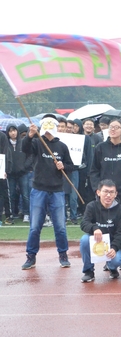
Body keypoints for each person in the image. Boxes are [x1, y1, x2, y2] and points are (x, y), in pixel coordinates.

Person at [21, 115, 75, 269]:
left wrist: (63, 166)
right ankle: (31, 256)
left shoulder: (62, 146)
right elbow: (25, 148)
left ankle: (63, 254)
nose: (48, 131)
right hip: (38, 189)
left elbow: (71, 166)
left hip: (57, 190)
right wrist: (30, 135)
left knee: (60, 227)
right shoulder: (37, 142)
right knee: (35, 227)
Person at [79, 179, 121, 282]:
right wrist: (94, 228)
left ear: (115, 194)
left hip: (112, 243)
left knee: (117, 260)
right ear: (98, 192)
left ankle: (112, 267)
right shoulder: (91, 206)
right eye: (105, 191)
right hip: (96, 240)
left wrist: (114, 248)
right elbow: (84, 223)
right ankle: (88, 271)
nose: (108, 195)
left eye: (111, 192)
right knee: (84, 240)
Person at [89, 119, 121, 208]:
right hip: (105, 192)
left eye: (116, 127)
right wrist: (97, 188)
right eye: (111, 127)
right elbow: (94, 170)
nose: (113, 129)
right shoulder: (100, 147)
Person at [6, 123, 30, 223]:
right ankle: (12, 213)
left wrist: (25, 167)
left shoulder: (23, 142)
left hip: (23, 173)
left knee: (25, 194)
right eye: (10, 131)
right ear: (8, 133)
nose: (13, 133)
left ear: (17, 131)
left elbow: (29, 156)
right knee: (11, 194)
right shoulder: (6, 144)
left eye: (14, 130)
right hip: (10, 174)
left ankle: (26, 213)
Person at [0, 128, 13, 225]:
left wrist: (5, 169)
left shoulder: (2, 136)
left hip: (2, 170)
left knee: (4, 194)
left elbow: (6, 153)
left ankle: (8, 216)